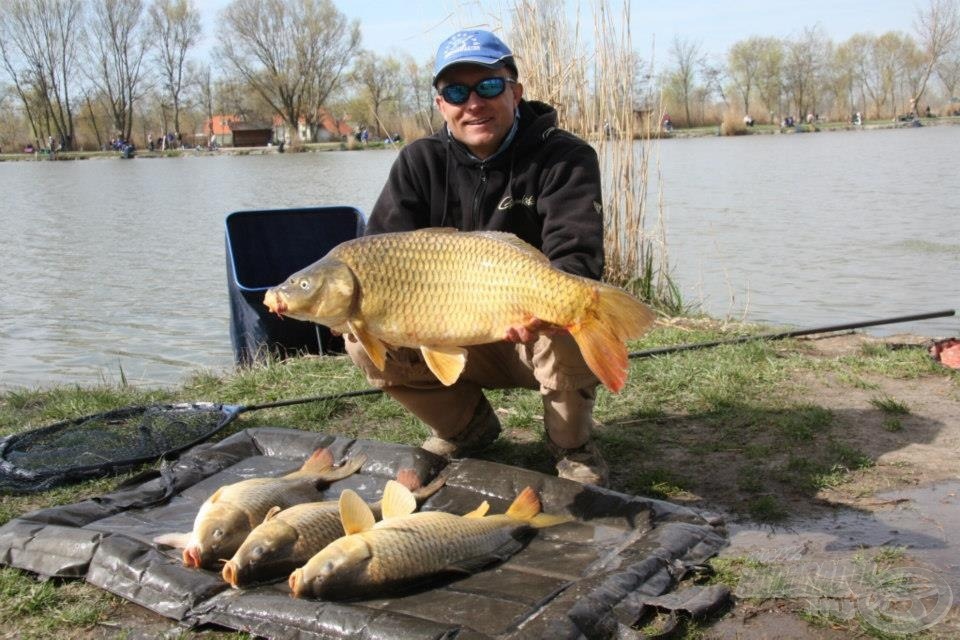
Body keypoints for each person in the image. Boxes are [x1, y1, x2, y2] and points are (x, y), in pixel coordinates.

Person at [343, 29, 610, 485]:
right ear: (440, 103)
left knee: (573, 310)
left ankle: (572, 448)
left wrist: (545, 312)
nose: (474, 103)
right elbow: (378, 250)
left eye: (488, 86)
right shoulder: (418, 162)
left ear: (516, 92)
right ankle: (467, 429)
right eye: (456, 91)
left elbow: (576, 255)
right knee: (361, 339)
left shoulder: (565, 157)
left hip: (527, 333)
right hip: (451, 331)